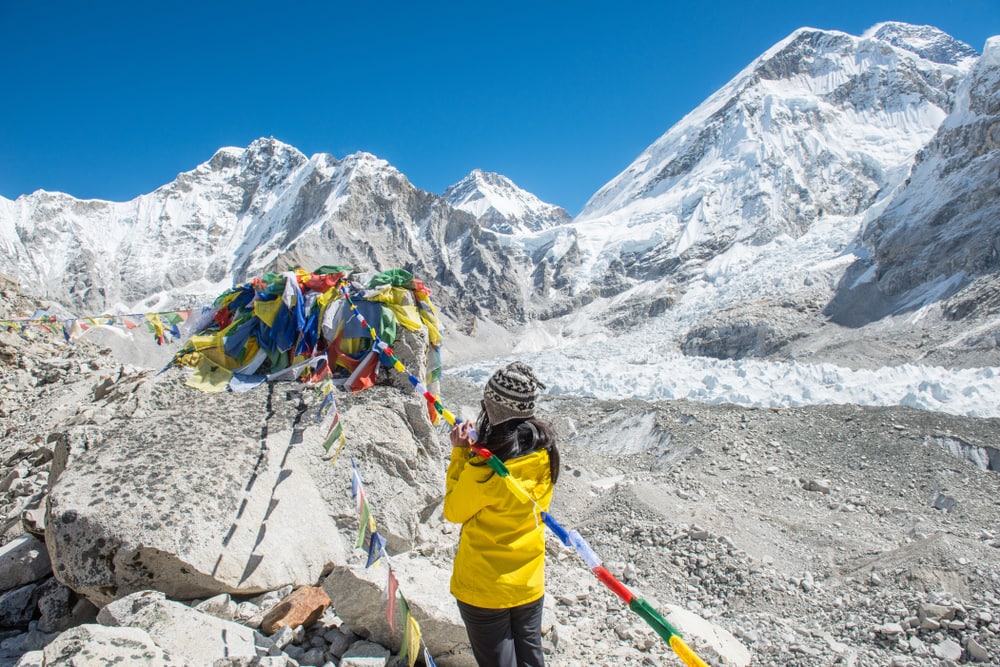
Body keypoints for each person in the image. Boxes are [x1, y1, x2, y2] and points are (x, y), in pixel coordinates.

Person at [444, 362, 560, 667]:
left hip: (484, 587)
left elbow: (454, 511)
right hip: (529, 582)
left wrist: (461, 453)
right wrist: (477, 451)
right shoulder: (546, 454)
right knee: (531, 659)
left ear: (492, 409)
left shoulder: (486, 469)